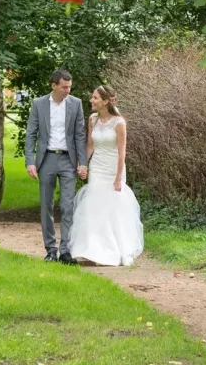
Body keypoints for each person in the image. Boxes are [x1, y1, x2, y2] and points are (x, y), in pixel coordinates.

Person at [69, 85, 143, 266]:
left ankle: (115, 249)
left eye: (95, 98)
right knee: (94, 207)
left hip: (113, 168)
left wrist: (118, 178)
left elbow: (122, 152)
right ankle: (92, 249)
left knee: (112, 208)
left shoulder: (119, 123)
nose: (91, 100)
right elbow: (90, 145)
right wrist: (83, 164)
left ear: (105, 101)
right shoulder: (93, 119)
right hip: (97, 168)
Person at [24, 69, 87, 264]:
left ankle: (65, 250)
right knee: (47, 206)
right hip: (47, 159)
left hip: (68, 160)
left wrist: (83, 162)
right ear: (53, 86)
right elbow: (31, 133)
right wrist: (30, 161)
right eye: (64, 87)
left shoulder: (76, 104)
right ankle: (50, 250)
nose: (68, 90)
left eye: (69, 87)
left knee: (68, 205)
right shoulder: (39, 104)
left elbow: (80, 135)